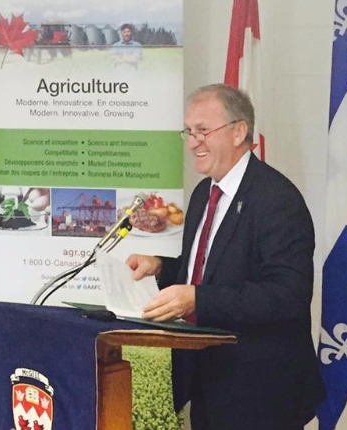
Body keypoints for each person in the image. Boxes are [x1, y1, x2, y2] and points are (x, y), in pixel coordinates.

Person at [127, 84, 325, 430]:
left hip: (262, 393)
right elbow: (207, 271)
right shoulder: (205, 193)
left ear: (239, 132)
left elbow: (287, 295)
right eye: (189, 132)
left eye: (203, 131)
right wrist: (161, 267)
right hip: (208, 381)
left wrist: (196, 299)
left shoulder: (276, 199)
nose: (192, 142)